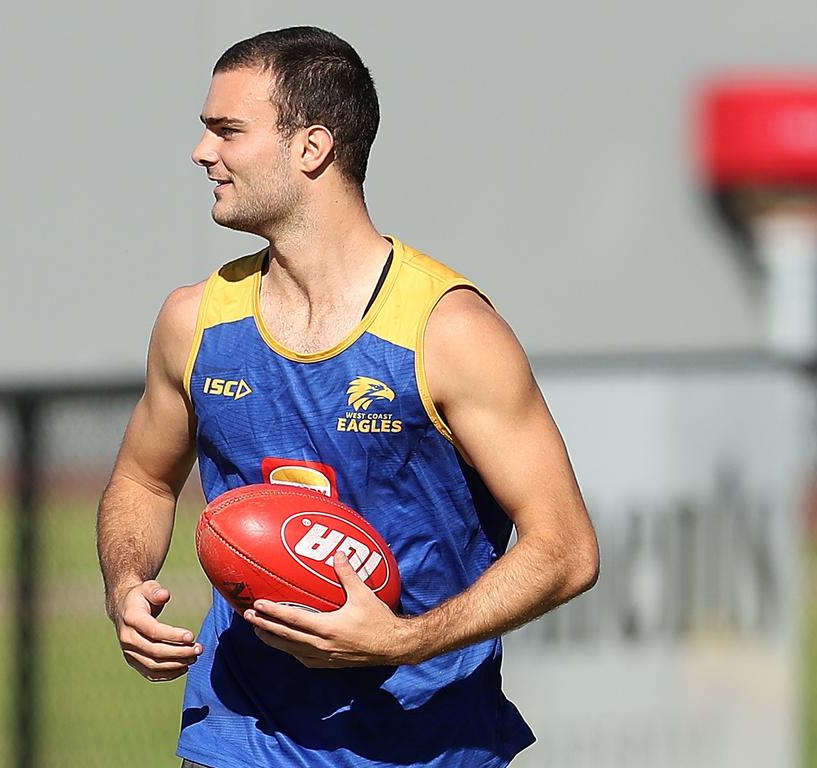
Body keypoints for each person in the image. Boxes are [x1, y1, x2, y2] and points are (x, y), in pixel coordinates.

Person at [97, 26, 599, 768]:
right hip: (239, 742)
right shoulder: (194, 321)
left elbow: (566, 551)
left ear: (312, 148)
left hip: (425, 749)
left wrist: (403, 640)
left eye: (227, 130)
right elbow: (143, 478)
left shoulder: (448, 333)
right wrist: (126, 582)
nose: (202, 153)